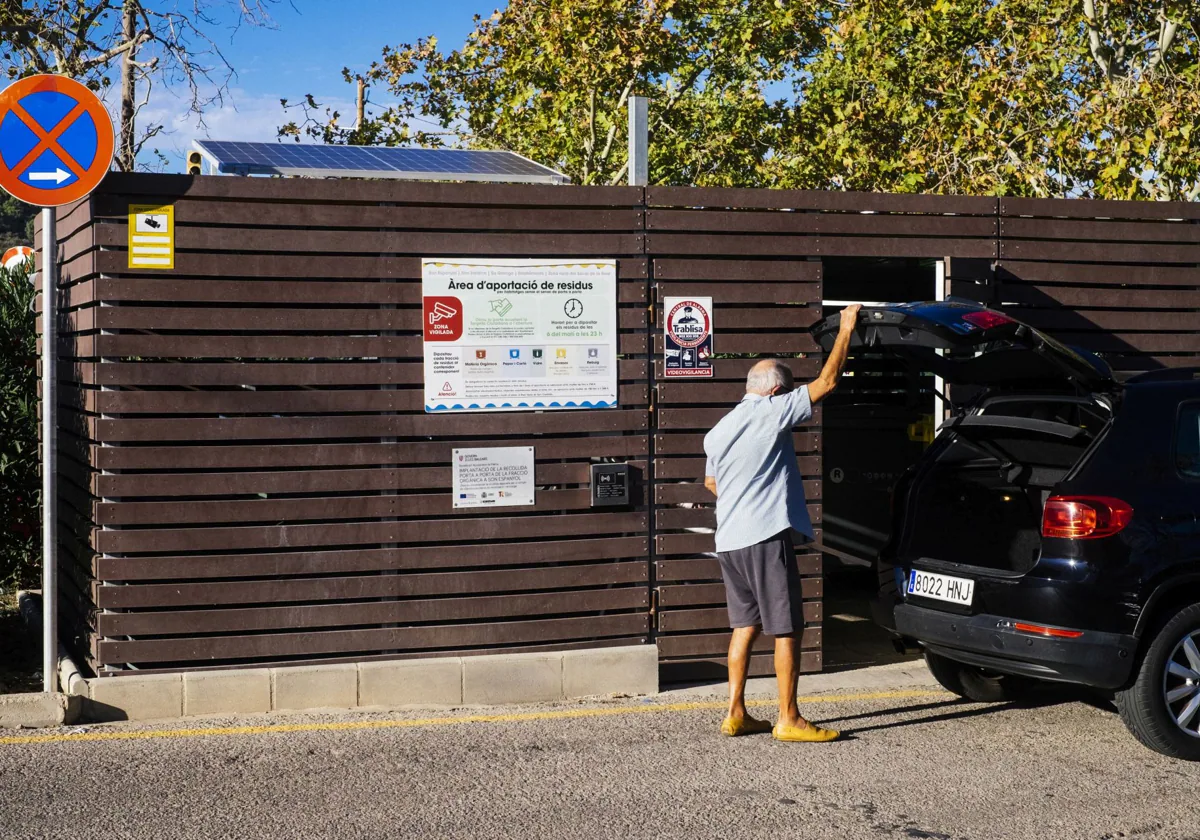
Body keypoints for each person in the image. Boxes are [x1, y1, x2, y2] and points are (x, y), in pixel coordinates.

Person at [703, 304, 860, 743]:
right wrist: (845, 327)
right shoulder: (772, 412)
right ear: (776, 393)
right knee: (786, 625)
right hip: (764, 538)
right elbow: (827, 381)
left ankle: (735, 713)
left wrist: (744, 497)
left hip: (730, 541)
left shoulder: (718, 429)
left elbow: (711, 482)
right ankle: (788, 718)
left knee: (744, 625)